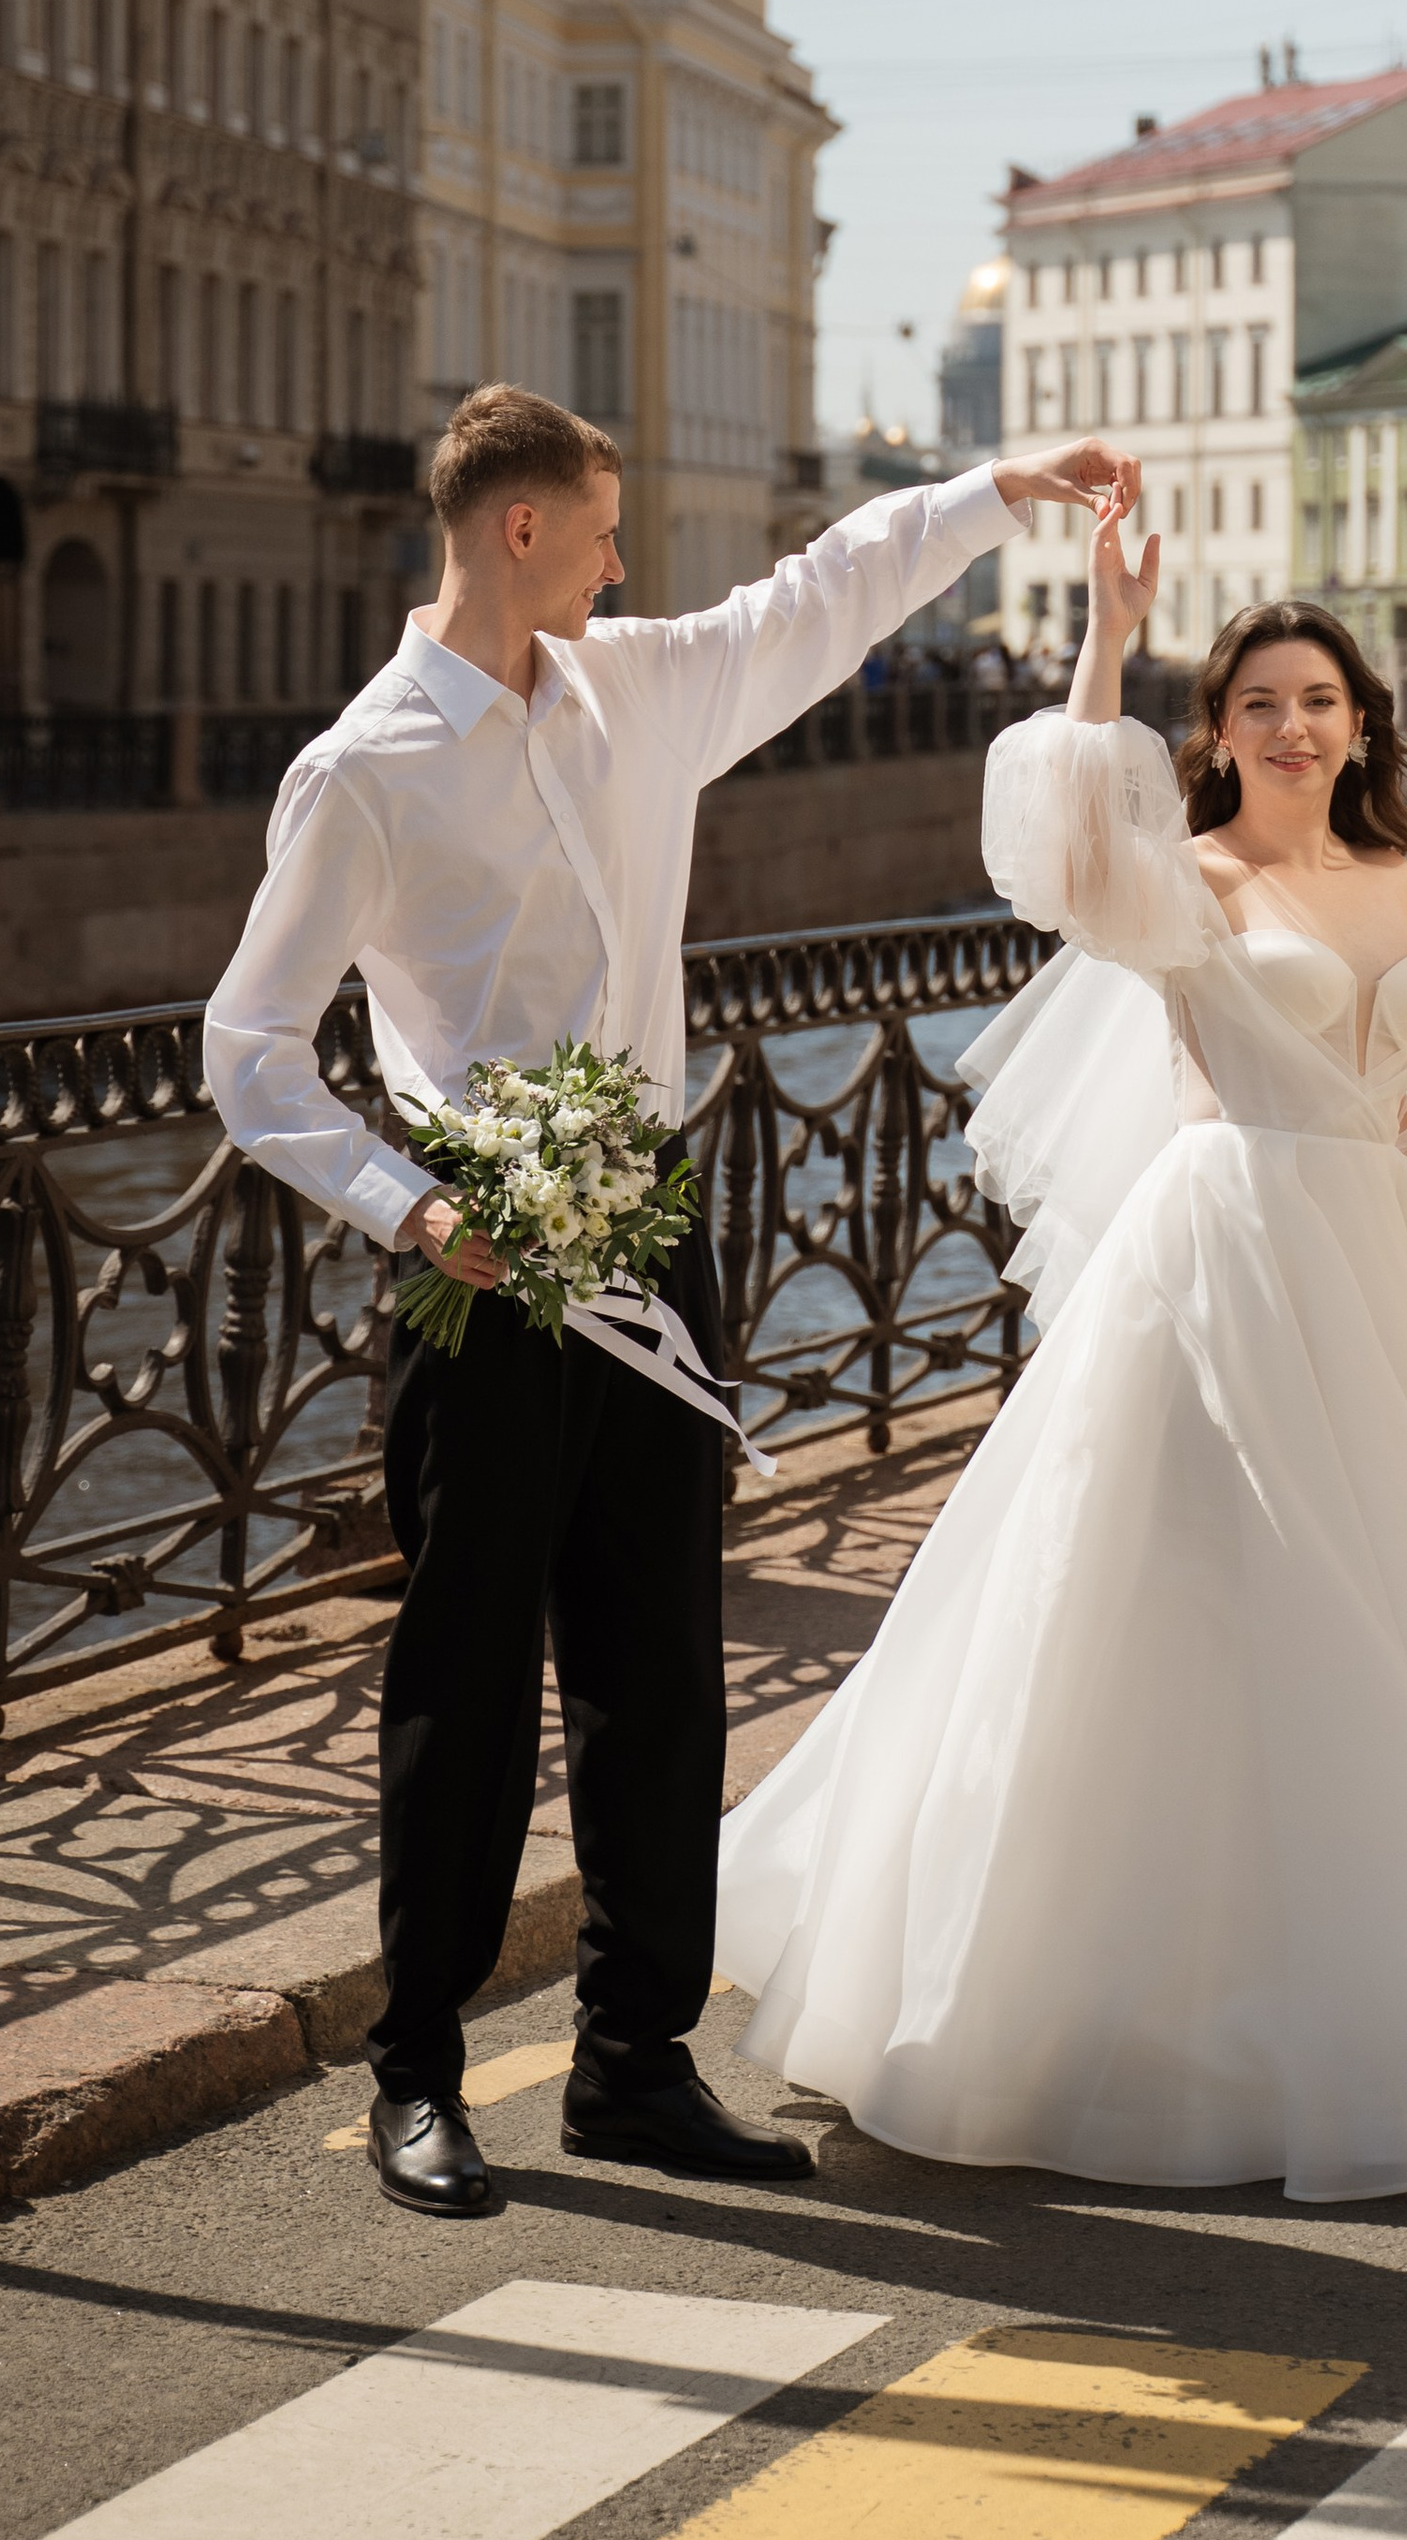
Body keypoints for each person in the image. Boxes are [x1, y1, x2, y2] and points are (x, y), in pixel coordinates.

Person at [716, 492, 1407, 2200]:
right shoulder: (1185, 881)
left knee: (1390, 1610)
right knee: (1192, 1597)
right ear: (1217, 732)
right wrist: (1110, 632)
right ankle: (1093, 2012)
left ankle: (1372, 1993)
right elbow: (1058, 855)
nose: (1291, 726)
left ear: (1363, 726)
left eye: (1318, 701)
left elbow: (1400, 1100)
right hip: (1223, 1251)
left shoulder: (1391, 874)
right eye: (1260, 703)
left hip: (1375, 1263)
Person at [203, 386, 1135, 2220]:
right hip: (480, 1266)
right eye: (602, 530)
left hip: (651, 1236)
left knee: (660, 1676)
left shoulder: (637, 690)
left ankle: (633, 2064)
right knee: (468, 1681)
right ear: (520, 529)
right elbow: (248, 1051)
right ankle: (419, 2075)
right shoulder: (365, 769)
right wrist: (408, 1205)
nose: (624, 565)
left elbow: (817, 596)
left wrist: (993, 494)